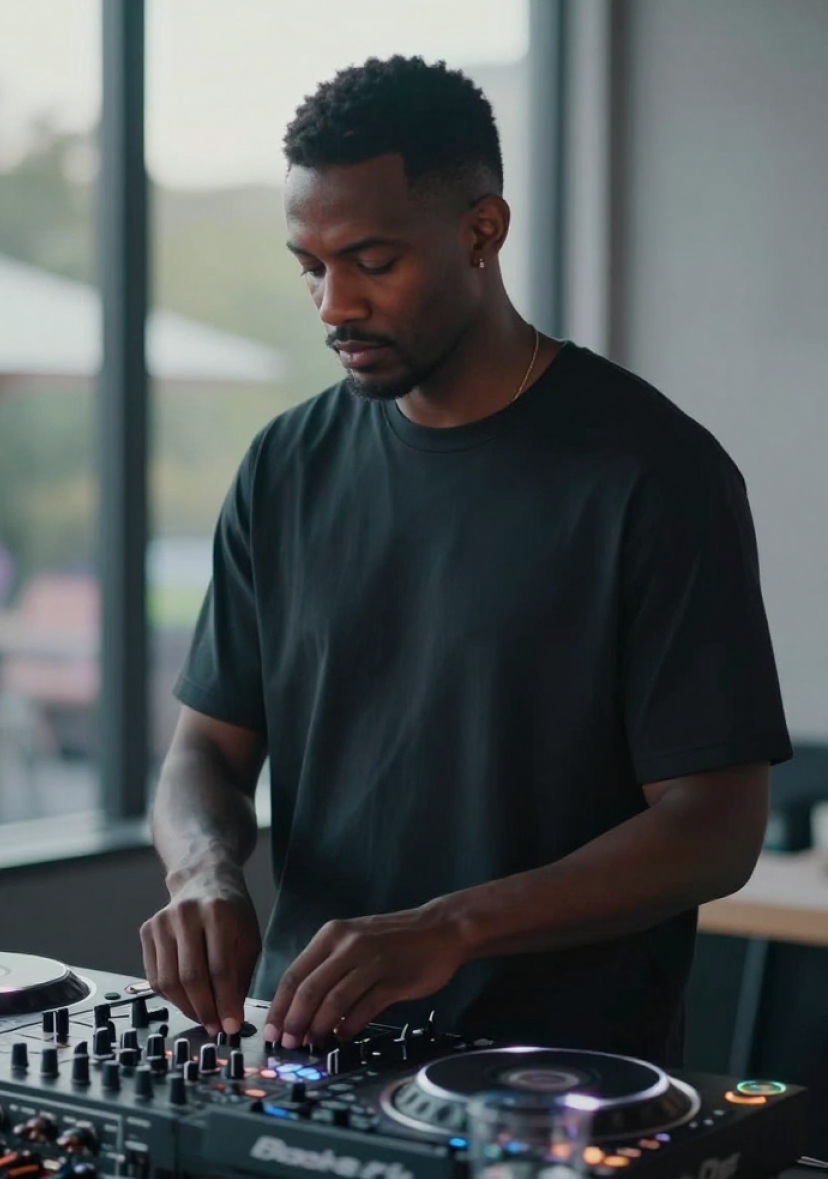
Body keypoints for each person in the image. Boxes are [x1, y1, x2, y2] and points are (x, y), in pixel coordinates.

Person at [141, 55, 791, 1069]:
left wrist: (449, 927)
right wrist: (203, 874)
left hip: (561, 1077)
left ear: (482, 231)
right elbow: (205, 757)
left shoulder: (656, 473)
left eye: (371, 260)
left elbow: (715, 827)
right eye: (310, 266)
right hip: (304, 1055)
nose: (332, 306)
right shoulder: (283, 466)